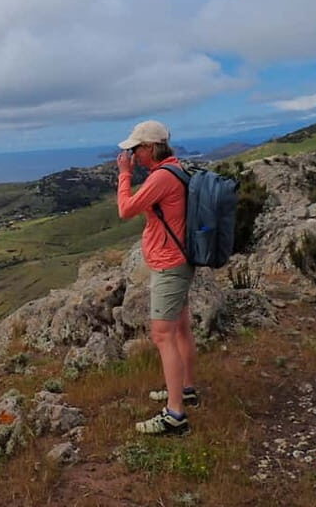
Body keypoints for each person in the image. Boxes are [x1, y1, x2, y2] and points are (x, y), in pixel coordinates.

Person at [116, 120, 197, 435]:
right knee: (180, 329)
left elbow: (125, 209)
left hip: (169, 265)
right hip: (180, 260)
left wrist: (124, 175)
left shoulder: (162, 177)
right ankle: (186, 388)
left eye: (135, 149)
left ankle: (175, 414)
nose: (132, 155)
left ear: (150, 148)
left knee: (163, 335)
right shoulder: (174, 169)